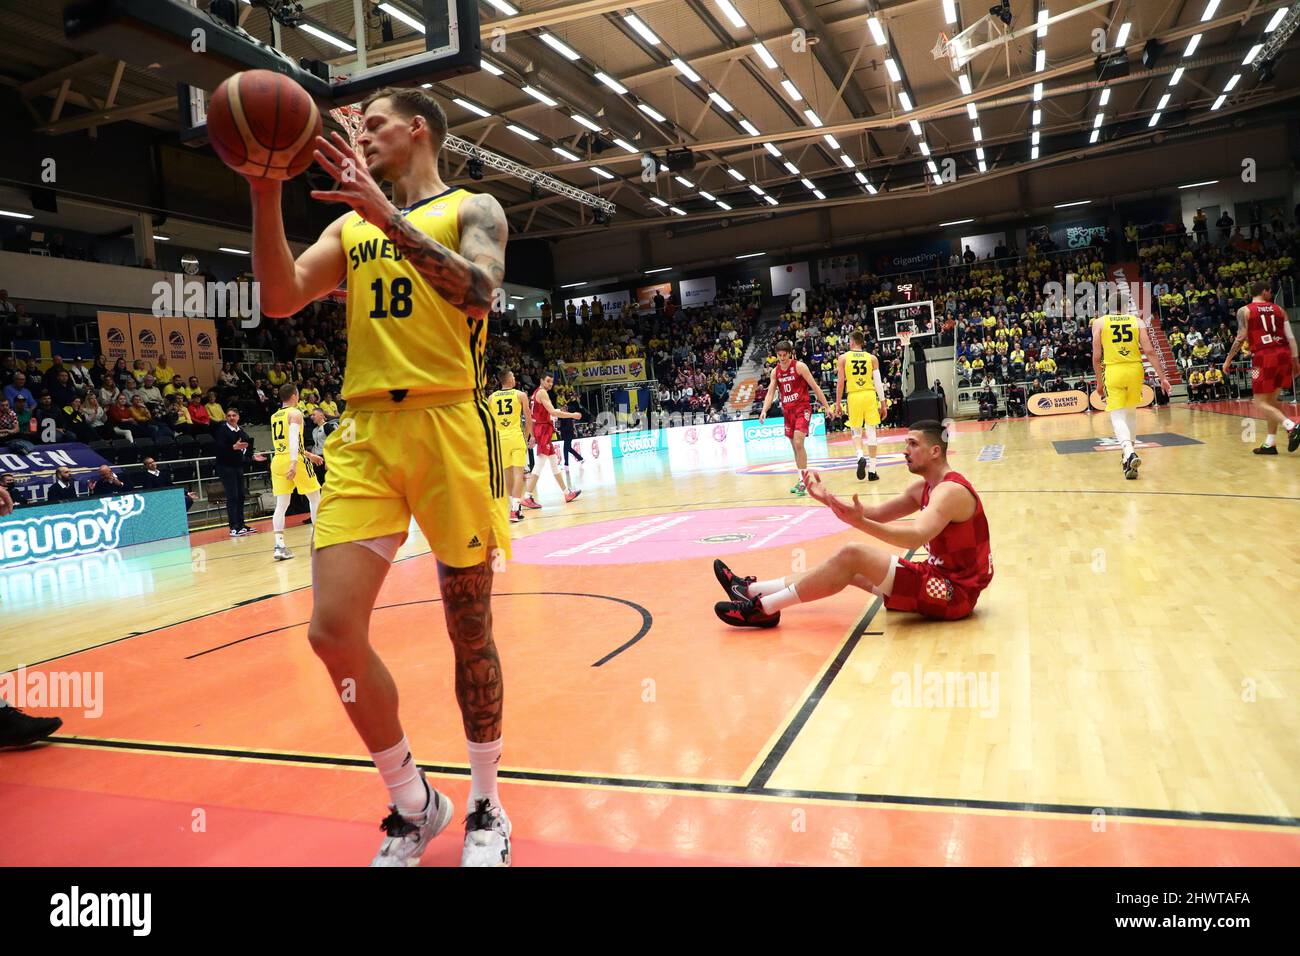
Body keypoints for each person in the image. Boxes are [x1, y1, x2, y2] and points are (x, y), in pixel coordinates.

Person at [247, 86, 513, 865]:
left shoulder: (475, 207)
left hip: (449, 425)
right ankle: (413, 800)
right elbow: (280, 295)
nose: (361, 137)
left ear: (417, 129)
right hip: (365, 431)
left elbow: (483, 292)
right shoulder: (346, 224)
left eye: (374, 125)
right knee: (332, 632)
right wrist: (265, 188)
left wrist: (383, 216)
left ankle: (488, 806)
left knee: (470, 632)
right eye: (356, 128)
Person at [713, 421, 993, 627]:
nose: (904, 450)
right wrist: (827, 499)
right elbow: (876, 514)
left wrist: (859, 523)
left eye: (912, 444)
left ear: (934, 451)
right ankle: (750, 590)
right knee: (850, 568)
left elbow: (914, 537)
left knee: (854, 554)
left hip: (954, 594)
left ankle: (764, 609)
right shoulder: (924, 488)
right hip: (938, 578)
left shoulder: (950, 491)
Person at [1092, 306, 1171, 480]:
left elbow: (1097, 356)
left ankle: (1129, 452)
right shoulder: (1137, 321)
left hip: (1113, 370)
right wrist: (1162, 377)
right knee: (1130, 413)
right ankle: (1128, 460)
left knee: (1117, 415)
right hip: (1135, 369)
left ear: (1109, 307)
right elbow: (1149, 350)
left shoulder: (1099, 322)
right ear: (1125, 308)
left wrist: (1099, 382)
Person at [1222, 282, 1299, 455]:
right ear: (1263, 292)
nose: (1271, 293)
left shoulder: (1245, 310)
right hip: (1284, 354)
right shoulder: (1279, 309)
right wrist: (1296, 360)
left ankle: (1291, 426)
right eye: (1270, 291)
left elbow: (1241, 337)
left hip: (1264, 356)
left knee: (1259, 402)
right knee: (1272, 402)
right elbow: (1291, 337)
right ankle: (1270, 444)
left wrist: (1228, 360)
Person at [759, 340, 837, 496]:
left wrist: (827, 406)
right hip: (787, 411)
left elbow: (815, 387)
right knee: (795, 447)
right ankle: (801, 479)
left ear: (790, 353)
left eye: (784, 355)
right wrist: (764, 410)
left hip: (802, 408)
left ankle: (805, 482)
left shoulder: (800, 367)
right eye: (779, 355)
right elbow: (770, 393)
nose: (782, 358)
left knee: (799, 442)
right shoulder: (775, 372)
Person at [268, 383, 324, 561]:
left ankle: (279, 546)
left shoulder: (275, 416)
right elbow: (293, 439)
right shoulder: (295, 413)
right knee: (315, 498)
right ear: (294, 395)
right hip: (295, 460)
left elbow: (287, 443)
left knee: (281, 504)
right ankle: (319, 542)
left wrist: (310, 455)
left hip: (278, 460)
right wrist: (294, 462)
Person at [521, 371, 581, 510]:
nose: (550, 384)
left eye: (551, 382)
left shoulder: (535, 393)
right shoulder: (542, 393)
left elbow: (533, 417)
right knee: (540, 464)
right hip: (543, 431)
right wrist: (572, 415)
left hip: (541, 431)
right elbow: (553, 412)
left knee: (554, 463)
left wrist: (533, 435)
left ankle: (567, 493)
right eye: (547, 381)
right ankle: (527, 496)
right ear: (541, 380)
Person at [834, 331, 888, 482]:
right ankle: (872, 471)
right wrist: (883, 403)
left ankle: (860, 456)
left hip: (854, 396)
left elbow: (840, 382)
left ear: (851, 342)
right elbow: (878, 382)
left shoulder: (843, 358)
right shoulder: (872, 358)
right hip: (870, 395)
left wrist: (838, 403)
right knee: (871, 432)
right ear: (862, 342)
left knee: (856, 431)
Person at [213, 406, 264, 536]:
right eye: (229, 415)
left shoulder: (241, 431)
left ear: (238, 417)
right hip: (225, 466)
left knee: (241, 495)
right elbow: (219, 449)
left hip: (238, 466)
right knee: (232, 496)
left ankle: (241, 524)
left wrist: (252, 456)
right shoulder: (221, 431)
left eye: (234, 415)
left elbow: (247, 447)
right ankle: (233, 527)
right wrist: (232, 447)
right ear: (226, 417)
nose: (231, 418)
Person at [488, 369, 531, 523]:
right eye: (513, 376)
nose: (514, 378)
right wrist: (527, 437)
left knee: (507, 475)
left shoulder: (491, 397)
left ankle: (513, 508)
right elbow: (528, 417)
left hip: (500, 439)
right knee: (519, 473)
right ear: (509, 379)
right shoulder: (520, 395)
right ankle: (515, 509)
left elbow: (489, 422)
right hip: (515, 436)